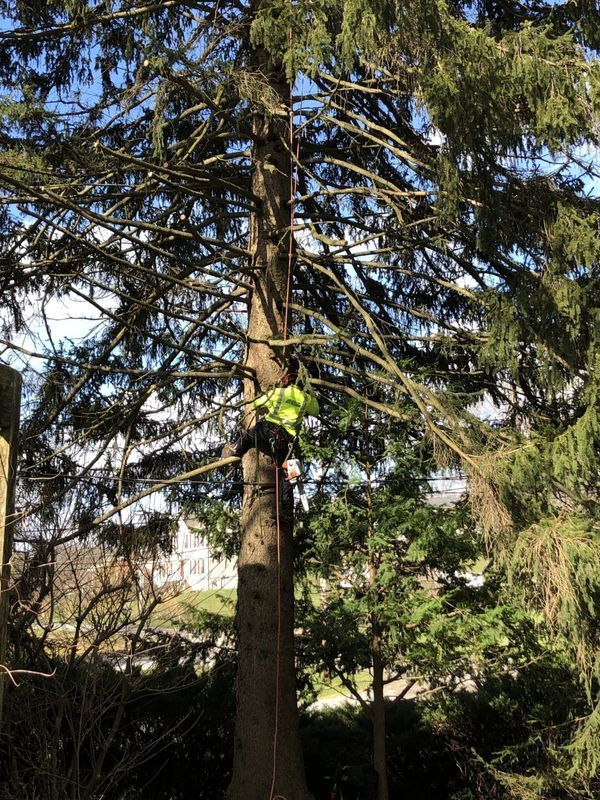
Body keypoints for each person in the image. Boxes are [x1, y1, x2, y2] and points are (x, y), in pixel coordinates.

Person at [221, 365, 319, 512]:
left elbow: (256, 403)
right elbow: (316, 410)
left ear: (286, 381)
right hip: (285, 440)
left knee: (248, 436)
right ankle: (284, 509)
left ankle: (234, 450)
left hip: (266, 430)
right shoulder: (306, 399)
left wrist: (268, 396)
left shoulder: (278, 393)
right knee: (284, 473)